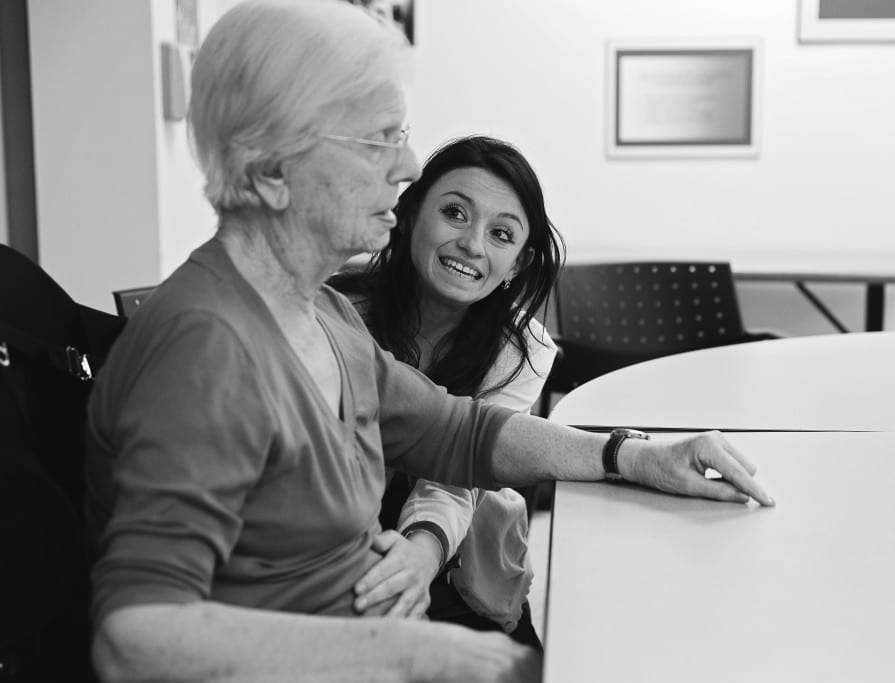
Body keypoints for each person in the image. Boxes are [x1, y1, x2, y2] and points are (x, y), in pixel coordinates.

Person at [83, 2, 774, 682]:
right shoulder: (207, 347)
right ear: (271, 172)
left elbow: (461, 431)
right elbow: (136, 635)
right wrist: (416, 652)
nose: (409, 163)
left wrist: (638, 456)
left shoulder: (323, 313)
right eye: (377, 139)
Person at [330, 135, 563, 648]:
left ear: (520, 263)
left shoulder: (522, 350)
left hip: (453, 563)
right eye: (455, 213)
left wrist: (420, 556)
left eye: (501, 234)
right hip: (331, 555)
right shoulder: (337, 310)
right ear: (411, 216)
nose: (473, 244)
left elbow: (460, 478)